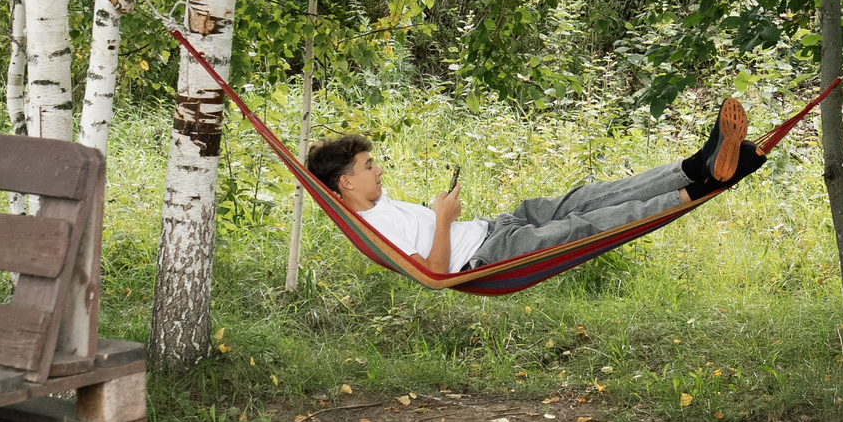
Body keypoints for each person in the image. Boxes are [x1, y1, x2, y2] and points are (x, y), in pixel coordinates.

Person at [305, 97, 764, 274]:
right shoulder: (374, 229)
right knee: (589, 225)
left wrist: (440, 212)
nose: (379, 171)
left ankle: (698, 166)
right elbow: (434, 274)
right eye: (368, 166)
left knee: (589, 196)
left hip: (499, 225)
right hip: (492, 255)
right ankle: (701, 187)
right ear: (346, 182)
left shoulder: (377, 205)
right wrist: (443, 218)